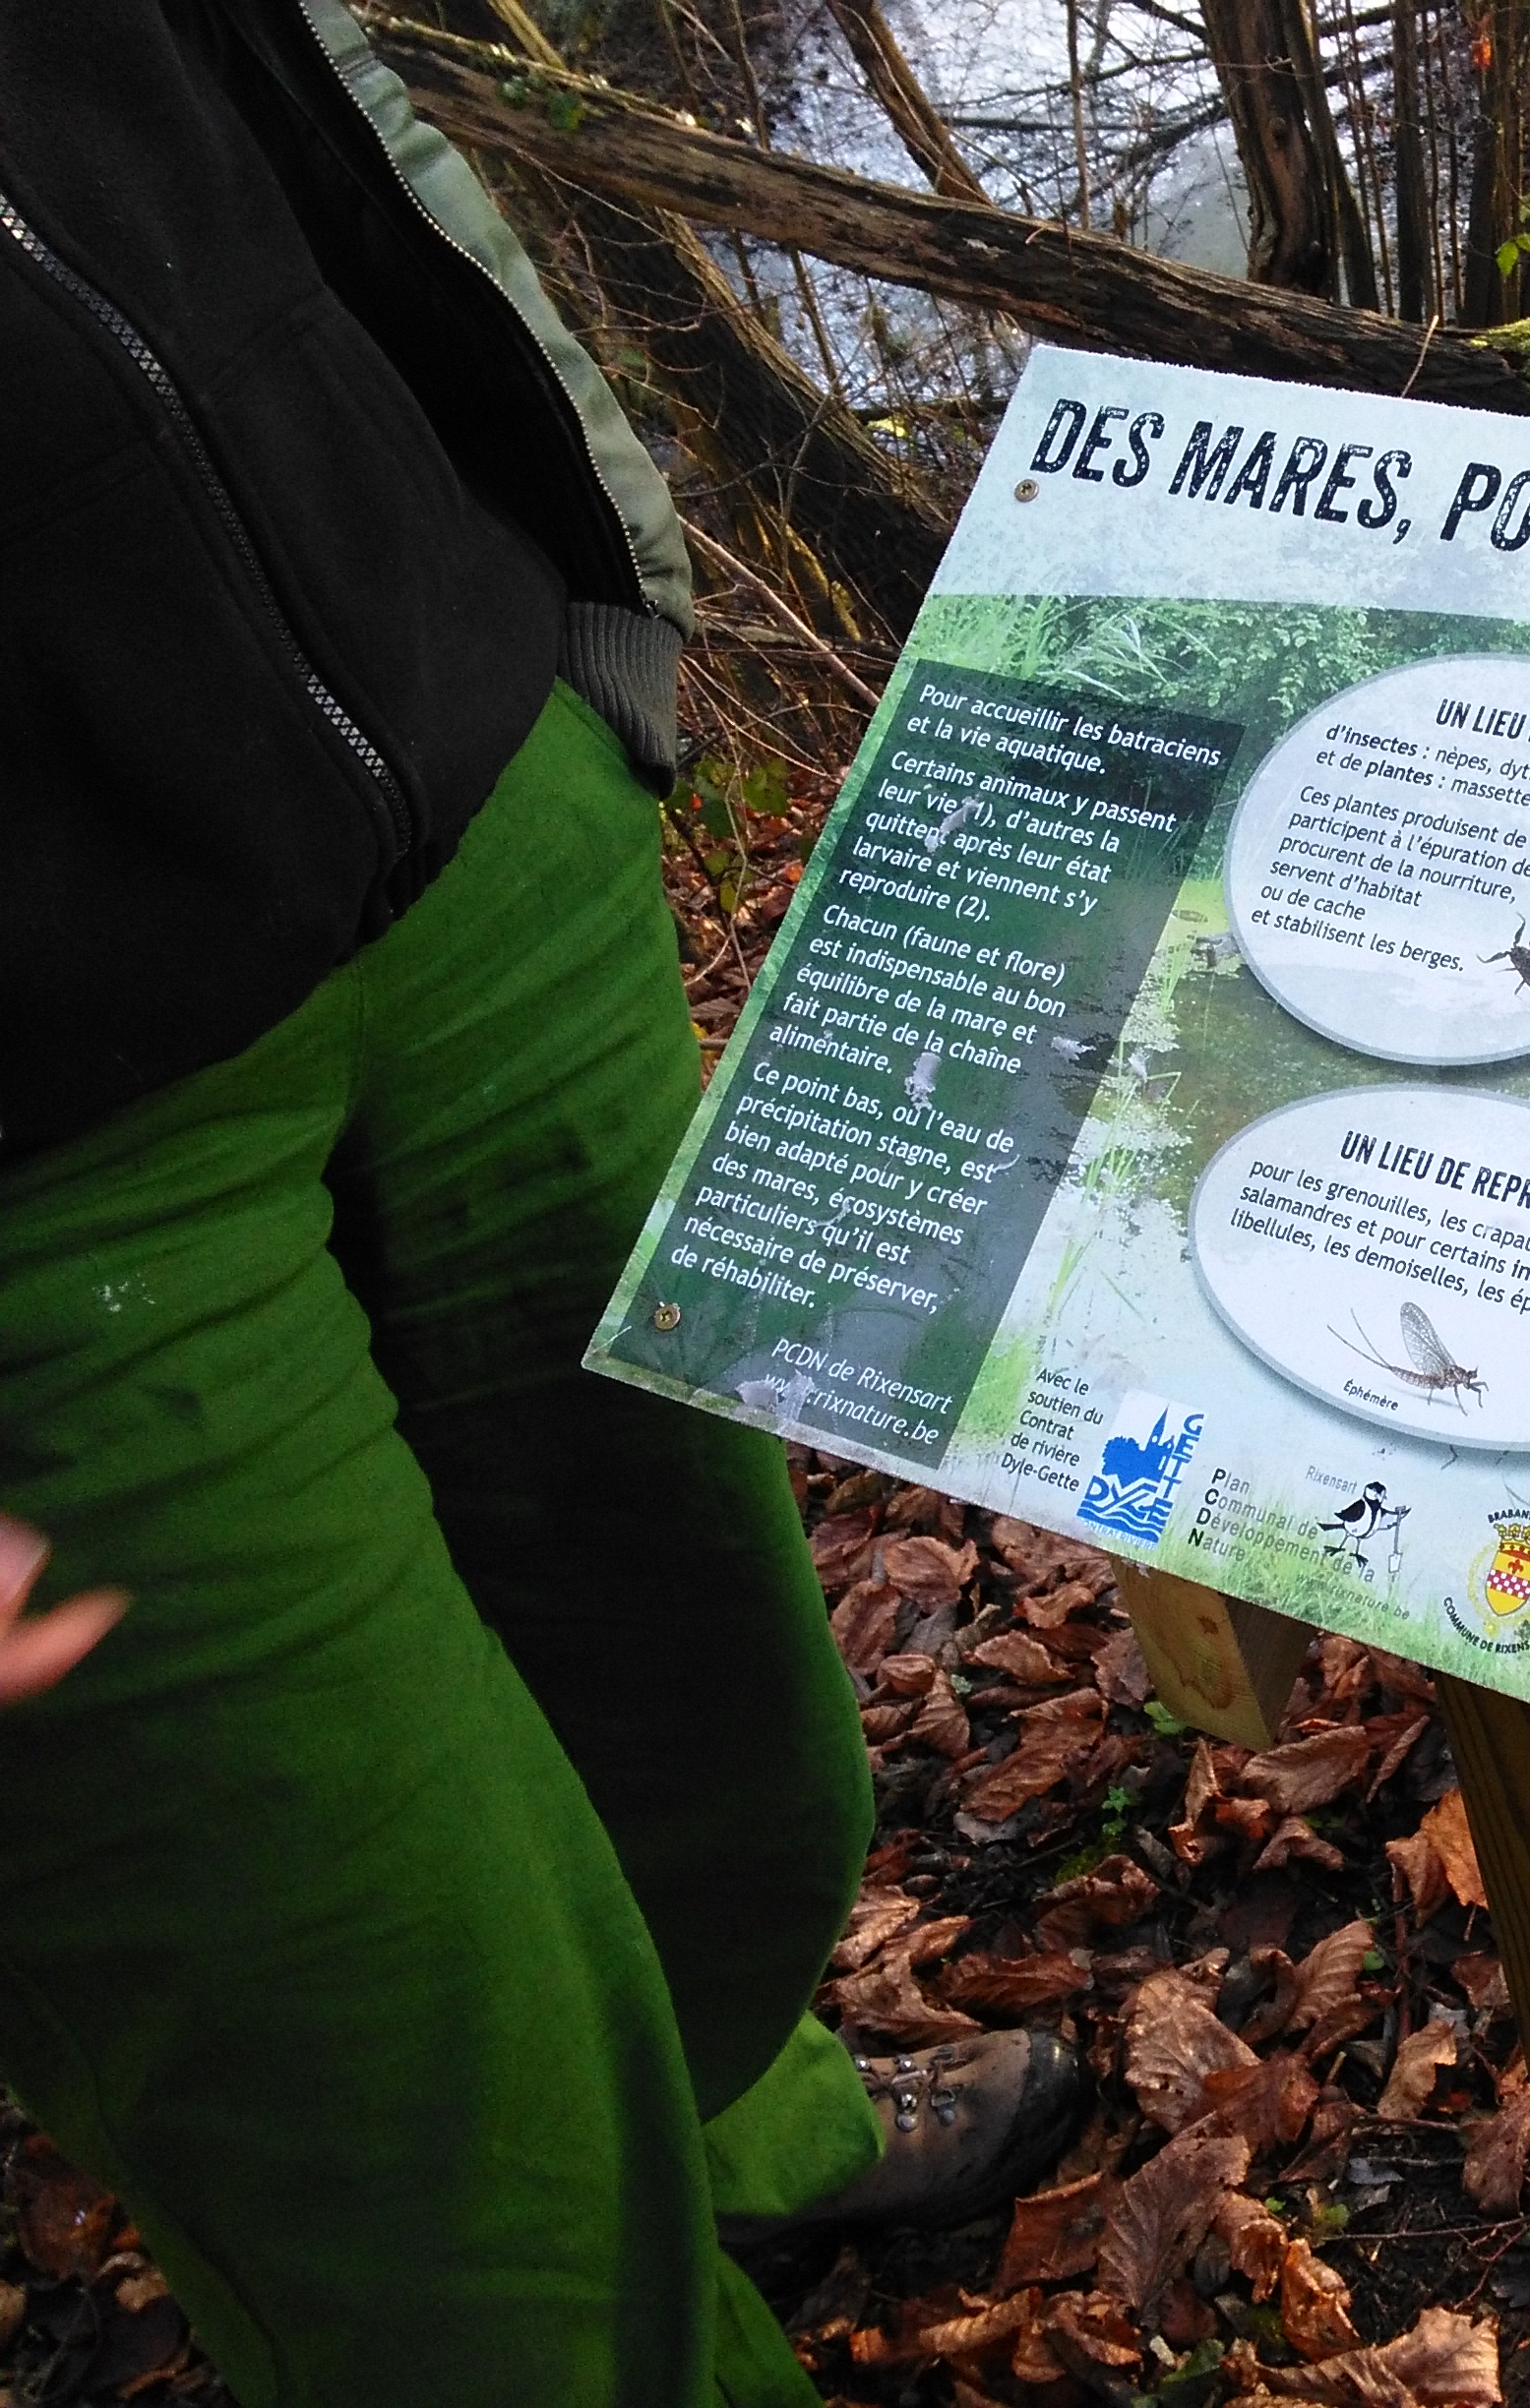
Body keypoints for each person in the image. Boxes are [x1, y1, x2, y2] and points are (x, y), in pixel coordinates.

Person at [0, 4, 1072, 2396]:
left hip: (483, 824)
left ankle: (734, 2117)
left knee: (721, 1728)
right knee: (405, 2087)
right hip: (52, 1201)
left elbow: (295, 72)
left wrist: (598, 591)